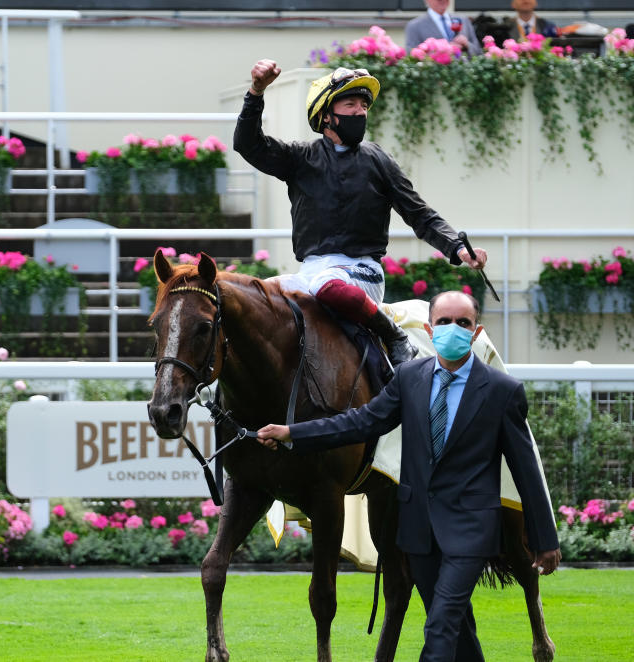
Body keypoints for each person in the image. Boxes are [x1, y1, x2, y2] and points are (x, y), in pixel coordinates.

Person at [255, 291, 561, 662]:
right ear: (430, 331)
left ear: (476, 331)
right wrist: (293, 433)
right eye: (444, 322)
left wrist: (544, 540)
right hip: (417, 532)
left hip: (471, 531)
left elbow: (525, 470)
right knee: (458, 632)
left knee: (438, 629)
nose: (453, 330)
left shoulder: (502, 391)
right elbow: (361, 422)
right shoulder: (408, 378)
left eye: (463, 323)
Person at [233, 61, 487, 365]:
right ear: (326, 116)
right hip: (311, 272)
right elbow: (248, 144)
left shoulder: (378, 160)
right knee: (250, 298)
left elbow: (419, 214)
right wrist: (256, 91)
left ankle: (395, 336)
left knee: (326, 285)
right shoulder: (300, 157)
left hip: (362, 272)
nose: (360, 111)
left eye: (363, 105)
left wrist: (457, 247)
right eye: (350, 103)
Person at [405, 0, 484, 55]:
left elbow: (479, 52)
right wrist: (445, 50)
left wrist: (467, 44)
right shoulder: (415, 26)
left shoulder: (463, 20)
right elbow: (412, 56)